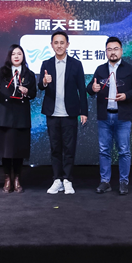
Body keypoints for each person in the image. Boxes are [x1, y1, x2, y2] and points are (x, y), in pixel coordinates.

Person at [87, 36, 132, 195]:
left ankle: (123, 182)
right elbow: (90, 88)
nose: (112, 52)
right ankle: (105, 181)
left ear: (121, 51)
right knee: (104, 150)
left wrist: (126, 95)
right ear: (106, 52)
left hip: (122, 117)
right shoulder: (100, 69)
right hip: (104, 117)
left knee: (124, 151)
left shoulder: (130, 69)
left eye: (115, 49)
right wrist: (93, 88)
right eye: (109, 49)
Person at [38, 31, 88, 194]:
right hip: (52, 113)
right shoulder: (46, 64)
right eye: (56, 42)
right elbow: (40, 86)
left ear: (67, 44)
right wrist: (44, 82)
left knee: (69, 148)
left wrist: (84, 112)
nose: (59, 46)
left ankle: (67, 180)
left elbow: (82, 89)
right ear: (51, 45)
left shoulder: (76, 64)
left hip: (70, 113)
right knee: (55, 148)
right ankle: (57, 179)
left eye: (62, 42)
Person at [0, 44, 37, 193]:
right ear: (9, 56)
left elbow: (34, 94)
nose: (16, 56)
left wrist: (27, 91)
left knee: (19, 149)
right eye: (13, 54)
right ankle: (7, 178)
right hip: (4, 115)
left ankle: (17, 178)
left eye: (19, 54)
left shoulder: (29, 74)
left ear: (23, 56)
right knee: (5, 149)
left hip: (21, 116)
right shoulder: (1, 72)